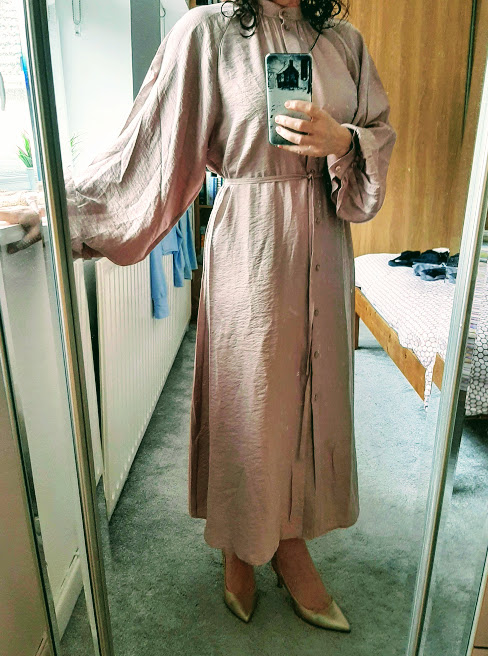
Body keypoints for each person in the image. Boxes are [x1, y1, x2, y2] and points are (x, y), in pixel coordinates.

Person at [36, 0, 397, 630]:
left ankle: (289, 542)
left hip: (326, 241)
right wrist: (56, 206)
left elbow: (377, 136)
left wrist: (343, 141)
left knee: (312, 400)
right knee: (250, 402)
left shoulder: (345, 42)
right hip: (252, 242)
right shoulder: (208, 32)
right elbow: (148, 146)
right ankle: (239, 541)